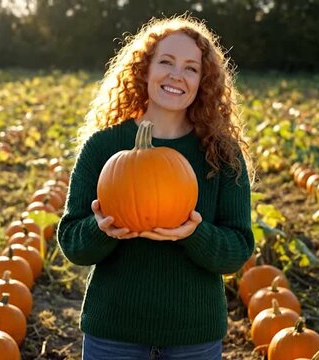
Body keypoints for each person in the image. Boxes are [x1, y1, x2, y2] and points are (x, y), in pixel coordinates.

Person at [57, 14, 254, 360]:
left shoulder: (221, 153)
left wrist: (194, 233)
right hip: (113, 335)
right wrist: (103, 230)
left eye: (191, 68)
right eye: (166, 61)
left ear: (203, 81)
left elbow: (238, 249)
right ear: (144, 70)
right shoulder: (104, 147)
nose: (177, 75)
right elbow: (73, 242)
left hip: (194, 338)